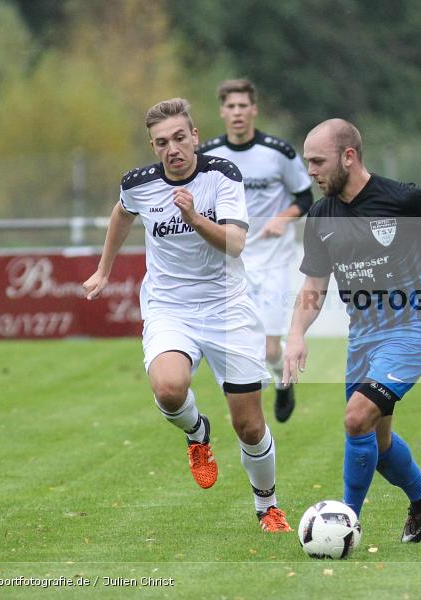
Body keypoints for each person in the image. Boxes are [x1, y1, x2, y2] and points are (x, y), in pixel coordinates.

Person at [83, 98, 291, 531]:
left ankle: (266, 505)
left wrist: (194, 217)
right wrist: (103, 269)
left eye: (180, 138)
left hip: (227, 308)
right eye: (162, 142)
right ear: (153, 146)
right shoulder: (138, 183)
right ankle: (198, 434)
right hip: (169, 308)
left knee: (250, 426)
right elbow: (122, 213)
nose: (172, 148)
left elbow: (235, 243)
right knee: (169, 389)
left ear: (195, 136)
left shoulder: (222, 175)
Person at [283, 119, 421, 542]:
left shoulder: (400, 198)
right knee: (377, 440)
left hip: (414, 326)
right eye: (308, 163)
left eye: (318, 162)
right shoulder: (321, 215)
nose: (311, 172)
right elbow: (314, 286)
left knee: (356, 418)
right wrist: (296, 334)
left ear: (349, 156)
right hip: (364, 336)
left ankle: (342, 524)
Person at [198, 79, 314, 421]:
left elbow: (305, 197)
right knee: (242, 345)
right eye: (230, 107)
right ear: (222, 112)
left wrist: (284, 217)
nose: (237, 113)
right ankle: (252, 410)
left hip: (274, 259)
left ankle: (281, 380)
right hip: (231, 262)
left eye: (242, 106)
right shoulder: (208, 156)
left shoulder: (278, 152)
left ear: (254, 110)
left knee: (269, 348)